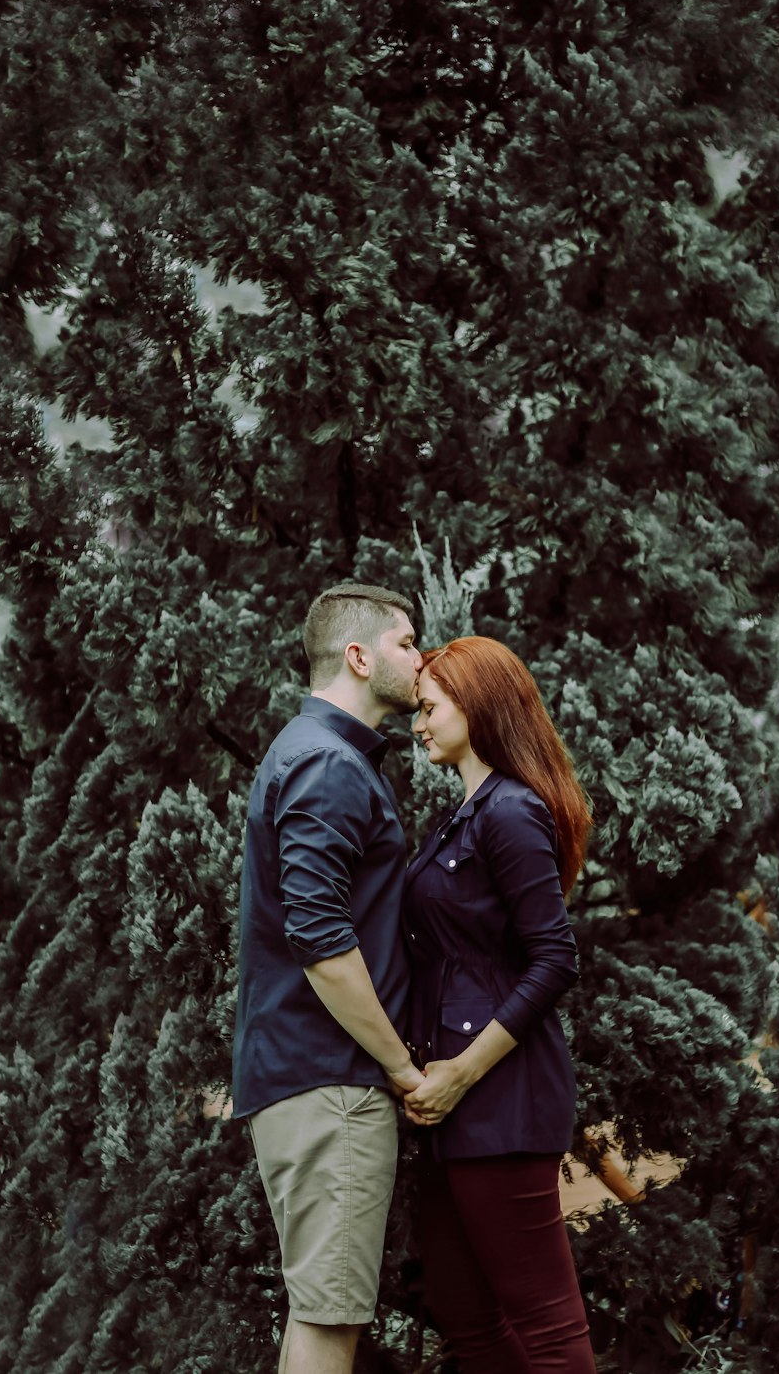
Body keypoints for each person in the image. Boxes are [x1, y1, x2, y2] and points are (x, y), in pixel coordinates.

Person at [232, 583, 427, 1374]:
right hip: (333, 1084)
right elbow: (319, 942)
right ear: (358, 656)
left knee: (321, 1312)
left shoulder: (312, 754)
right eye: (407, 642)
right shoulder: (327, 764)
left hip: (309, 1078)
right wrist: (402, 1067)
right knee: (330, 1319)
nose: (422, 659)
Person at [403, 636, 598, 1374]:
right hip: (454, 1107)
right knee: (463, 1311)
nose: (418, 723)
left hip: (501, 1100)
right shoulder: (466, 813)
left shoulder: (511, 813)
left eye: (428, 707)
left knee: (547, 1324)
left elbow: (555, 961)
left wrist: (458, 1073)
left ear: (475, 705)